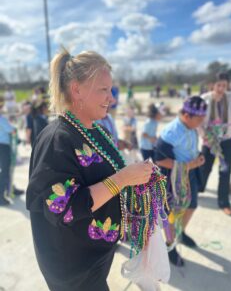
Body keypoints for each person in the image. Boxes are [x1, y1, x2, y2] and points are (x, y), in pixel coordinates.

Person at [26, 50, 153, 291]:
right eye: (103, 90)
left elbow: (108, 177)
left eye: (111, 90)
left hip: (97, 255)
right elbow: (63, 208)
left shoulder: (97, 131)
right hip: (73, 268)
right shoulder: (57, 140)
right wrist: (123, 178)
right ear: (77, 90)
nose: (112, 99)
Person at [155, 96, 207, 266]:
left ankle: (180, 233)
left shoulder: (191, 127)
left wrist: (197, 157)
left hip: (189, 173)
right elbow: (160, 160)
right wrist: (190, 164)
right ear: (186, 115)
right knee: (172, 213)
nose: (201, 122)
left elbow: (189, 147)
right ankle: (170, 246)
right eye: (199, 118)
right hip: (174, 178)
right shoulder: (171, 132)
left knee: (191, 206)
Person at [200, 72, 231, 216]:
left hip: (227, 140)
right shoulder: (204, 99)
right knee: (204, 168)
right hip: (209, 140)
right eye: (219, 85)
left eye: (224, 86)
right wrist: (204, 136)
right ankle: (196, 190)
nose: (221, 88)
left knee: (225, 171)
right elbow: (198, 121)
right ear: (212, 85)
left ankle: (224, 203)